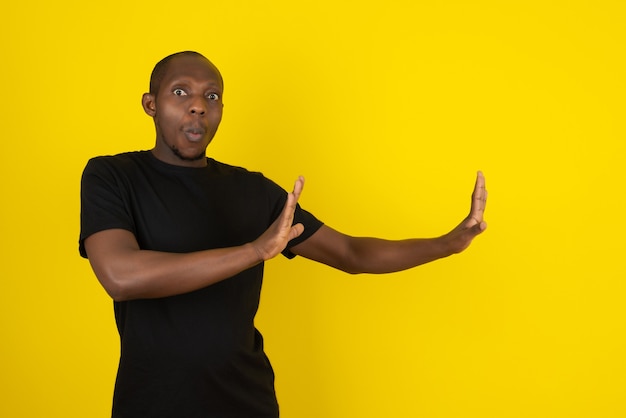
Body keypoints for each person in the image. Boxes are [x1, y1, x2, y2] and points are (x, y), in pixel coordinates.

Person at [79, 50, 487, 418]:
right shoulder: (113, 176)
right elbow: (122, 276)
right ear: (151, 104)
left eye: (212, 96)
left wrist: (448, 243)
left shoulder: (251, 190)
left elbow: (350, 253)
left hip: (246, 402)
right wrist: (255, 250)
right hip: (153, 403)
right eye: (181, 92)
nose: (198, 107)